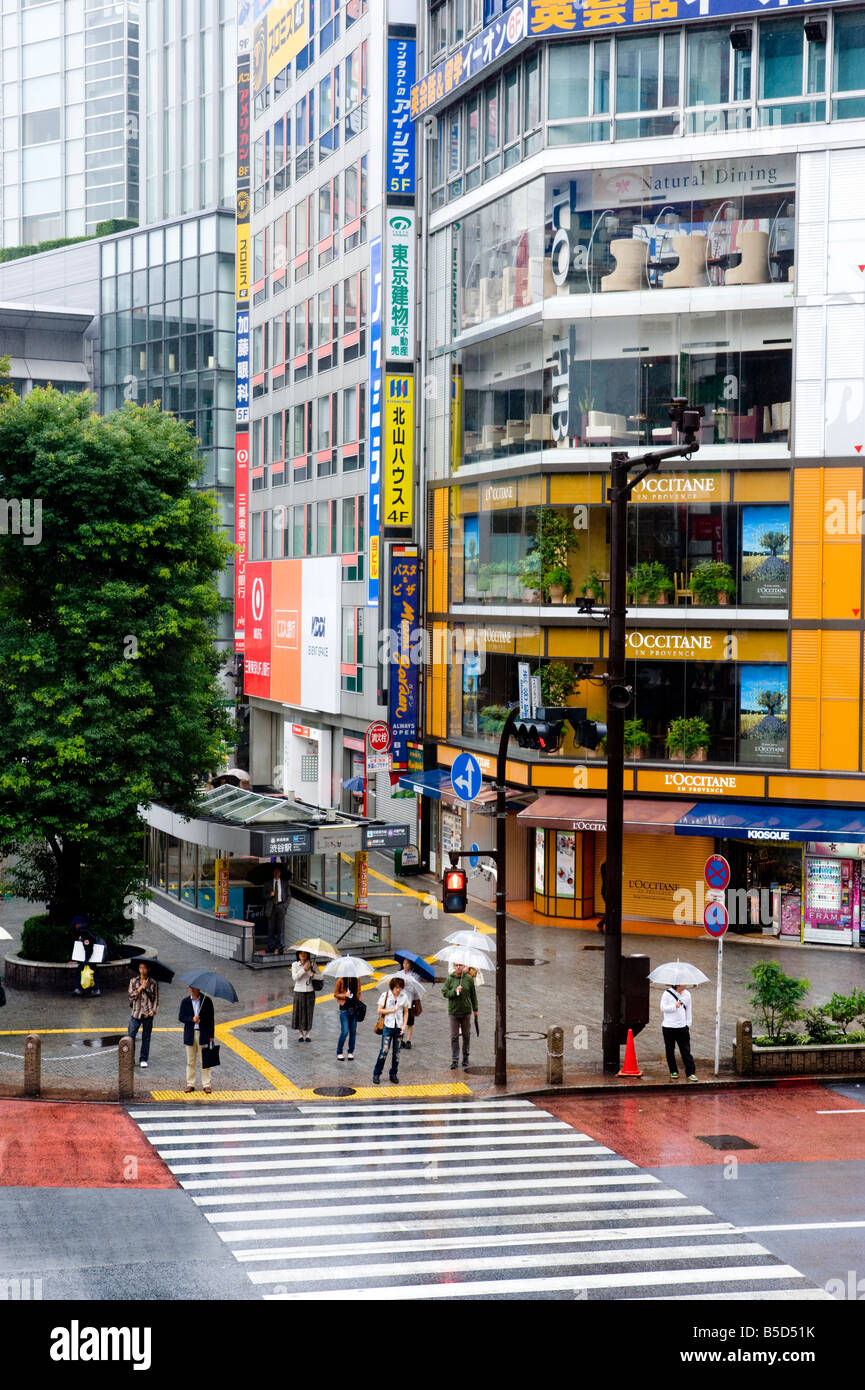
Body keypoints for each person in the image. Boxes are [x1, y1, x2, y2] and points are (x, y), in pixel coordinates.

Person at [178, 986, 215, 1093]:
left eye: (194, 988)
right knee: (190, 1061)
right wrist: (191, 1019)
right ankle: (190, 1084)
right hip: (190, 1034)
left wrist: (211, 1036)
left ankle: (206, 1084)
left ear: (199, 989)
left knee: (205, 1061)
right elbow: (181, 1017)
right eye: (190, 987)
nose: (192, 989)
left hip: (203, 1034)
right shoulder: (185, 1001)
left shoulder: (206, 1001)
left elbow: (211, 1019)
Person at [442, 961, 478, 1070]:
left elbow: (473, 995)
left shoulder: (468, 979)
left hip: (466, 1011)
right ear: (453, 966)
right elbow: (444, 992)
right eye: (456, 965)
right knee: (454, 1036)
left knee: (466, 1036)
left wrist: (475, 1009)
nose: (458, 967)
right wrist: (455, 991)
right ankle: (455, 1059)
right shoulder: (450, 979)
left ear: (464, 966)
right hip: (454, 1012)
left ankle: (466, 1057)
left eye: (460, 965)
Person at [373, 977, 408, 1085]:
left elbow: (406, 1012)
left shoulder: (404, 996)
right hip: (387, 1026)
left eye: (400, 987)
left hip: (398, 1028)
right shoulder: (385, 995)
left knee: (397, 1053)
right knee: (384, 1051)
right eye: (396, 987)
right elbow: (379, 1010)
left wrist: (404, 1026)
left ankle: (393, 1074)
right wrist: (390, 1010)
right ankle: (377, 1073)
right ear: (392, 987)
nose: (398, 990)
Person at [660, 983, 697, 1081]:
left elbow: (689, 1010)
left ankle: (690, 1072)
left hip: (682, 1027)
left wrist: (688, 1024)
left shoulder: (687, 994)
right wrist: (674, 1006)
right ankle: (673, 1071)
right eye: (684, 982)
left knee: (686, 1051)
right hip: (668, 1027)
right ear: (677, 984)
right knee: (670, 1050)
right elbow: (663, 1008)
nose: (686, 984)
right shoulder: (667, 993)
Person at [127, 960, 159, 1069]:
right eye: (140, 968)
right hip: (136, 1013)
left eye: (144, 968)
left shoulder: (153, 982)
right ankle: (130, 1059)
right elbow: (131, 996)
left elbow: (156, 999)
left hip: (148, 1014)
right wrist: (141, 987)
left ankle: (143, 1059)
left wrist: (153, 1010)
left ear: (148, 969)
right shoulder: (133, 981)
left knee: (146, 1038)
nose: (142, 970)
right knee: (131, 1036)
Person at [397, 957, 425, 1050]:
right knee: (401, 1022)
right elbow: (395, 988)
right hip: (400, 1002)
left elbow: (415, 989)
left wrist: (407, 985)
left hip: (410, 1001)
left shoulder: (415, 975)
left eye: (407, 963)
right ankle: (401, 1040)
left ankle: (408, 1040)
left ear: (411, 965)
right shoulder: (399, 974)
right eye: (404, 963)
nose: (405, 965)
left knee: (410, 1022)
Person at [264, 863, 290, 955]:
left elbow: (289, 895)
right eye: (275, 872)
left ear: (280, 873)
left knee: (281, 928)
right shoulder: (267, 883)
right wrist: (269, 895)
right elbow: (263, 895)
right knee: (271, 928)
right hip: (271, 907)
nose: (277, 873)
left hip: (280, 906)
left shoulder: (284, 883)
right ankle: (271, 946)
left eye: (278, 872)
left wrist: (285, 906)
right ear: (273, 873)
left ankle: (281, 947)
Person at [291, 949, 317, 1040]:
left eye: (304, 953)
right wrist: (304, 969)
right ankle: (300, 1034)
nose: (302, 955)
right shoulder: (295, 965)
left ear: (307, 954)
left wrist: (313, 975)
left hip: (310, 991)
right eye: (301, 953)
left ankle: (308, 1034)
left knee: (309, 1012)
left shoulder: (312, 964)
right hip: (298, 991)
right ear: (298, 954)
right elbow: (295, 977)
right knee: (299, 1012)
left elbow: (321, 977)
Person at [334, 973, 360, 1060]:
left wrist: (359, 1004)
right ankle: (339, 1051)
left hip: (354, 1009)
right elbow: (335, 994)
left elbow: (359, 992)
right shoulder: (341, 980)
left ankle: (350, 1052)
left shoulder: (357, 979)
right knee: (344, 1032)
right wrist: (344, 995)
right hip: (344, 1010)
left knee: (353, 1032)